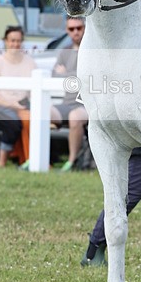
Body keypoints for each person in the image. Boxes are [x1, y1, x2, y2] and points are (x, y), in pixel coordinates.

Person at [0, 25, 36, 167]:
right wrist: (9, 105)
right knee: (13, 123)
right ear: (6, 41)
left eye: (18, 41)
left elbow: (33, 92)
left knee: (36, 120)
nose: (15, 44)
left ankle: (31, 159)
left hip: (23, 105)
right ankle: (2, 163)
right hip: (0, 105)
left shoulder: (30, 63)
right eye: (12, 40)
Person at [50, 17, 89, 172]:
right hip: (67, 102)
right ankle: (44, 158)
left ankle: (72, 161)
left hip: (87, 103)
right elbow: (54, 74)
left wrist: (66, 73)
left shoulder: (92, 49)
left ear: (85, 28)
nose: (76, 32)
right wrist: (72, 75)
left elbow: (86, 75)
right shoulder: (64, 51)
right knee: (42, 112)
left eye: (79, 28)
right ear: (67, 31)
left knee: (75, 117)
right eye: (71, 29)